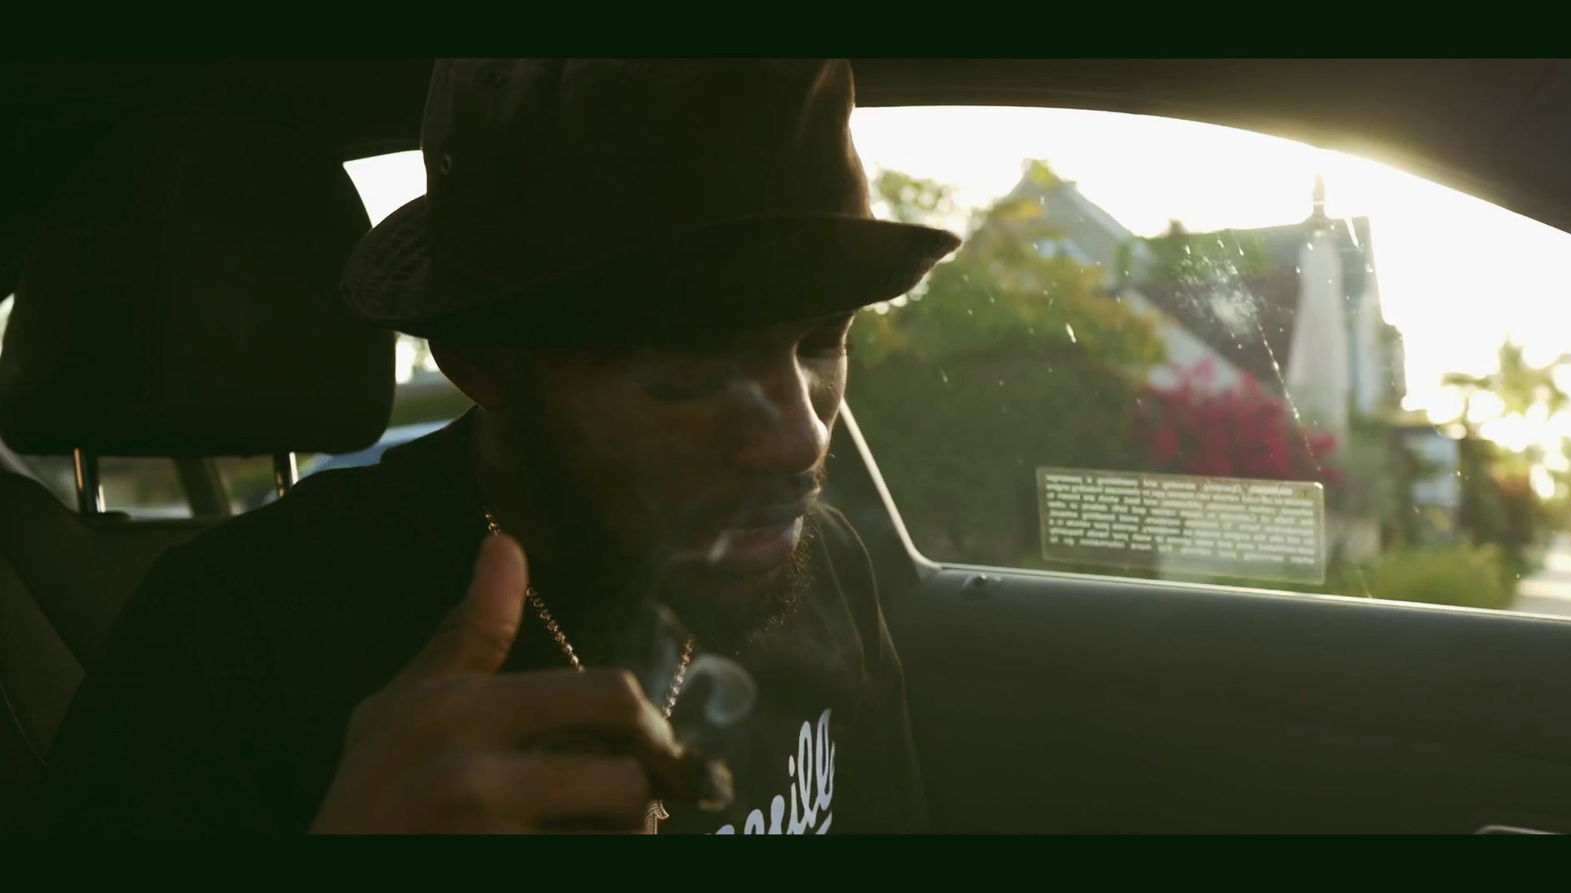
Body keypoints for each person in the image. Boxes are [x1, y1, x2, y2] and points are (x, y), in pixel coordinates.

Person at [39, 58, 961, 834]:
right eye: (688, 367)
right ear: (485, 362)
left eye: (820, 341)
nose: (798, 437)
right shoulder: (226, 646)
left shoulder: (826, 564)